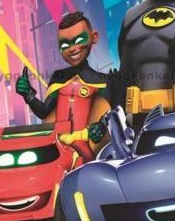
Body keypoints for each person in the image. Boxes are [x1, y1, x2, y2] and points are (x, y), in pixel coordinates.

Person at [15, 11, 109, 161]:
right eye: (65, 44)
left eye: (79, 40)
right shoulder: (58, 77)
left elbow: (112, 114)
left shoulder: (101, 80)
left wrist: (102, 126)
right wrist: (28, 95)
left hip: (83, 147)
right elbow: (45, 112)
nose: (72, 48)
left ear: (94, 37)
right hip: (56, 147)